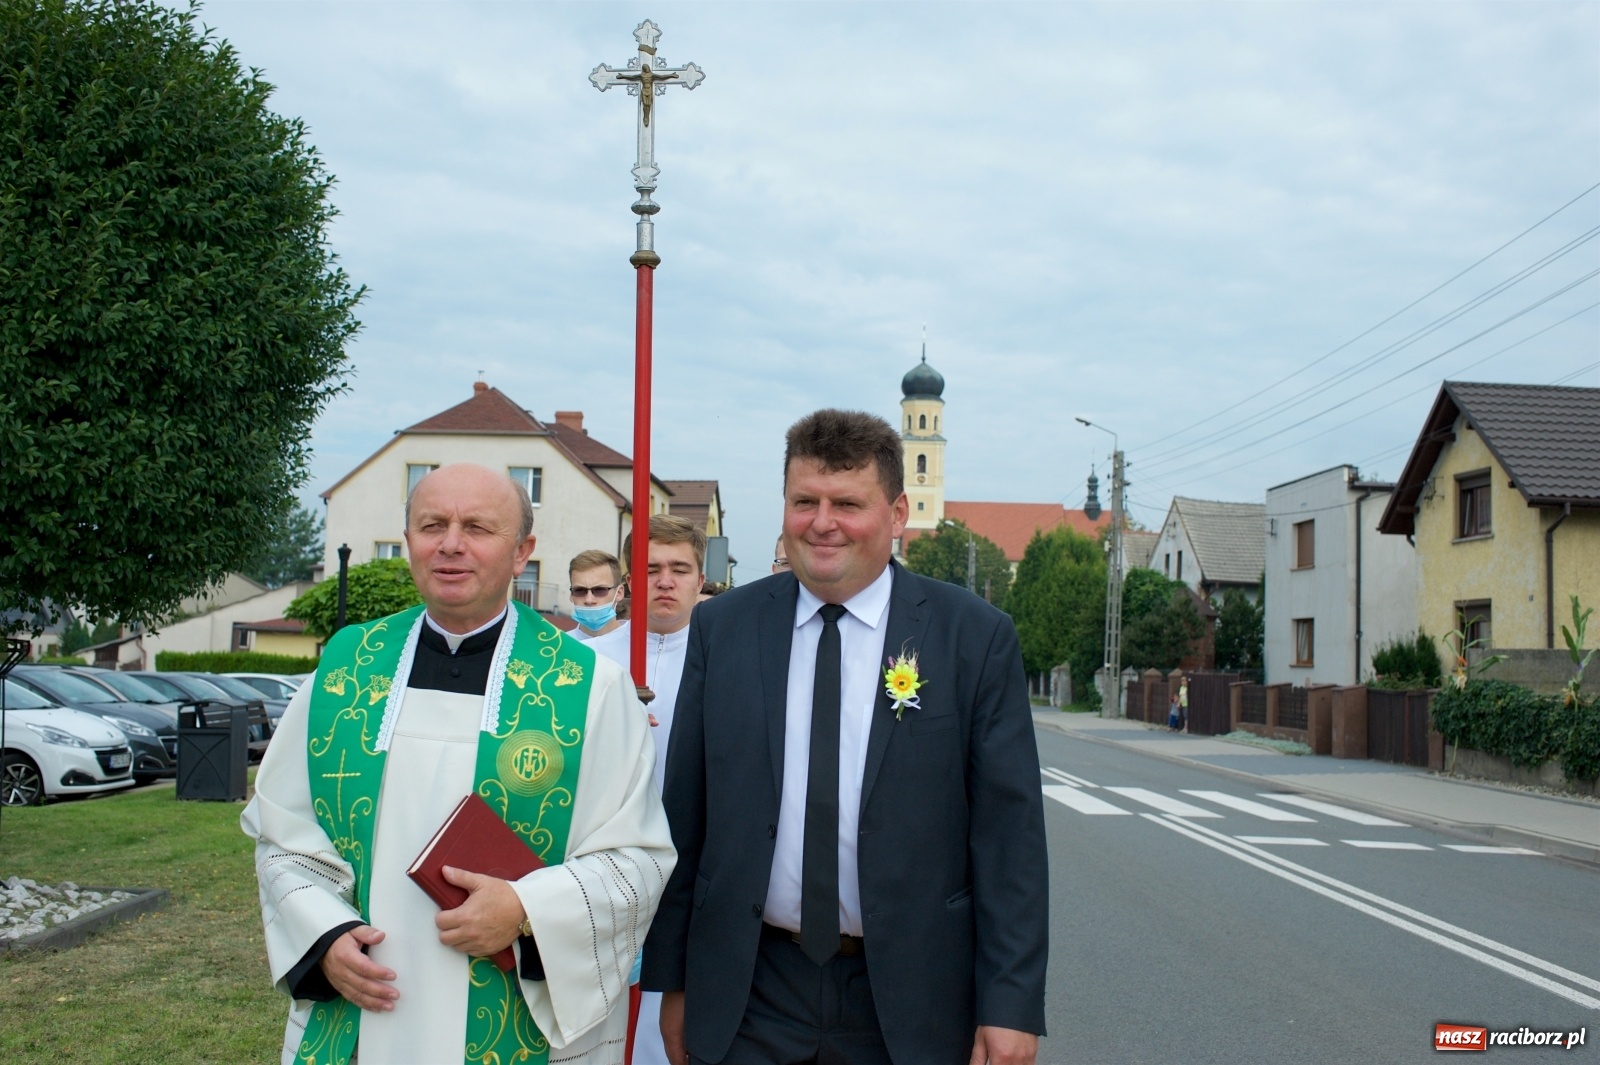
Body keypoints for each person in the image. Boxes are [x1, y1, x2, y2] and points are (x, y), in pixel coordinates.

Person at [644, 410, 1048, 1065]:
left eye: (847, 503)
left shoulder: (972, 637)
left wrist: (1011, 1005)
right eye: (805, 501)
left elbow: (1010, 840)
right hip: (751, 989)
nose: (822, 521)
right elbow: (685, 819)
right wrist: (674, 979)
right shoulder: (722, 629)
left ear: (897, 512)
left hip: (913, 1000)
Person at [242, 463, 675, 1065]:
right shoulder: (344, 670)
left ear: (522, 551)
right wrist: (323, 937)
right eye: (431, 525)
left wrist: (527, 911)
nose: (450, 543)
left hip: (514, 1003)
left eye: (477, 527)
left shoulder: (590, 687)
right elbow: (281, 832)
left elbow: (636, 858)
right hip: (364, 993)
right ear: (411, 540)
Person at [587, 514, 706, 1065]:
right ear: (629, 580)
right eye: (650, 568)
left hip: (693, 857)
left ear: (700, 578)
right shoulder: (587, 661)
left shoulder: (727, 659)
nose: (664, 580)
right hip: (607, 853)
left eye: (679, 569)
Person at [570, 548, 625, 640]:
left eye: (600, 590)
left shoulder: (638, 645)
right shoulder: (558, 647)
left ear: (619, 593)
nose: (589, 600)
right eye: (580, 590)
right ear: (571, 595)